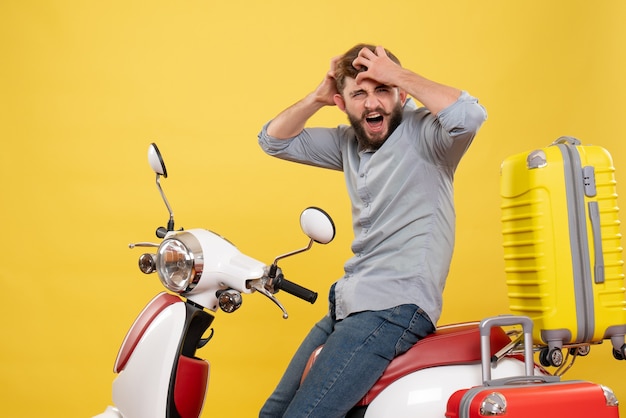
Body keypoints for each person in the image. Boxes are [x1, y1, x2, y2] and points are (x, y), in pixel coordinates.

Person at [257, 43, 487, 417]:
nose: (372, 103)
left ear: (401, 95)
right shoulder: (349, 143)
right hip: (346, 302)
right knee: (273, 414)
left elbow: (471, 116)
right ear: (342, 102)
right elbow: (274, 141)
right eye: (359, 94)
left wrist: (397, 73)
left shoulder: (427, 137)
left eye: (382, 90)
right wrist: (317, 96)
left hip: (394, 307)